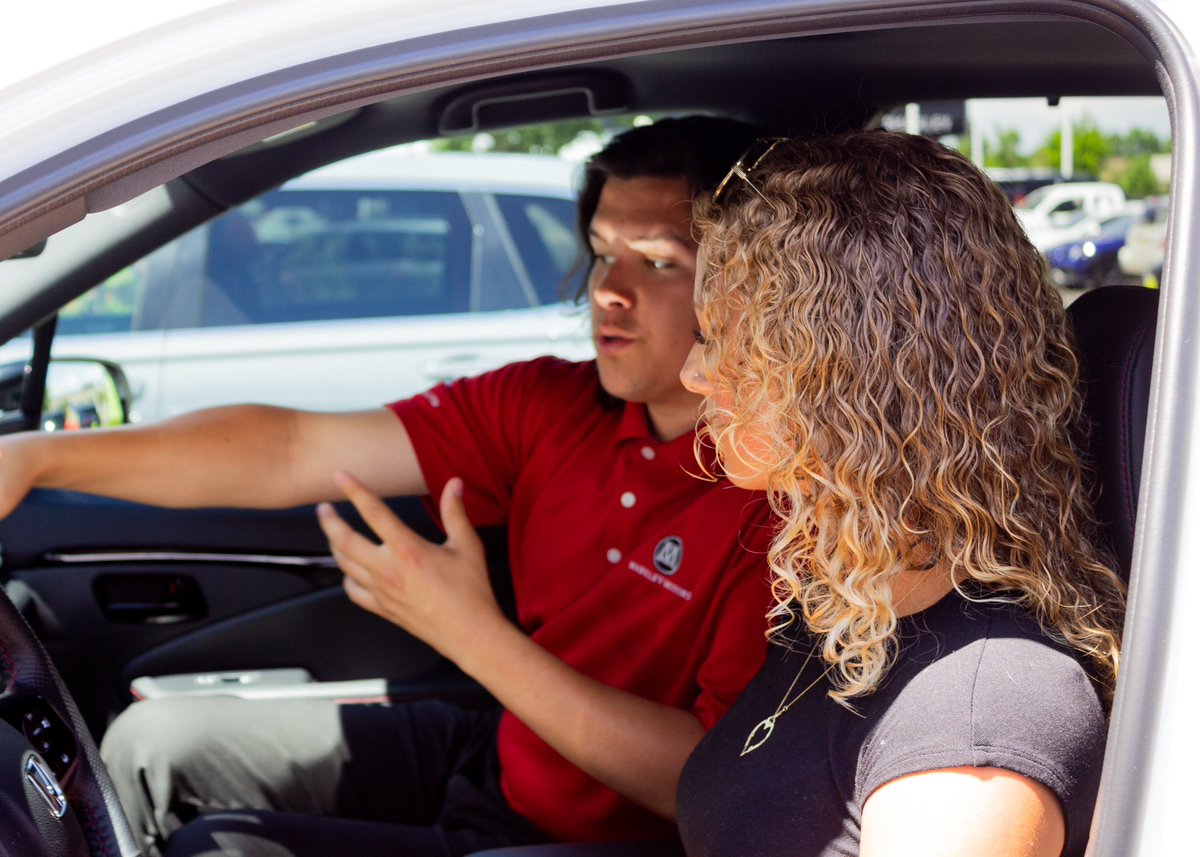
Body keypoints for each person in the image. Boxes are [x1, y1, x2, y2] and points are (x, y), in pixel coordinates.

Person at [0, 117, 777, 856]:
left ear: (749, 285)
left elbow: (707, 784)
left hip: (599, 838)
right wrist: (35, 459)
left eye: (659, 261)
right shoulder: (553, 403)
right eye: (603, 251)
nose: (608, 288)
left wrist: (469, 632)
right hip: (501, 758)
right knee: (151, 744)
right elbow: (291, 448)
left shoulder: (777, 494)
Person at [673, 131, 1126, 857]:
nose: (695, 371)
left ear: (844, 375)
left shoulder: (975, 725)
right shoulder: (856, 601)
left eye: (723, 338)